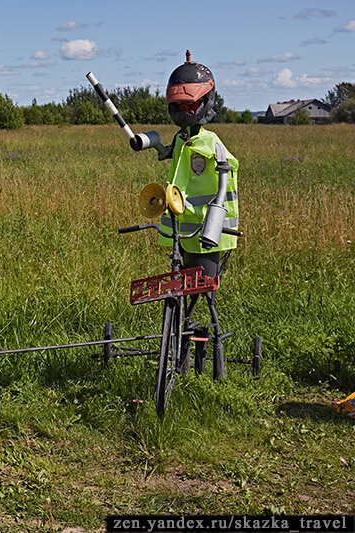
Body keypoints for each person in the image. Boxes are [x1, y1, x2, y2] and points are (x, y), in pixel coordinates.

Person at [158, 50, 239, 379]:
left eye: (190, 106)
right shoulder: (182, 139)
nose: (183, 112)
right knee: (182, 293)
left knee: (202, 293)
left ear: (206, 103)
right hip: (181, 233)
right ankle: (180, 353)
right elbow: (174, 157)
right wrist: (153, 145)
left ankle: (206, 354)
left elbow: (226, 174)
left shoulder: (212, 143)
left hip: (209, 235)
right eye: (178, 106)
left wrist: (215, 223)